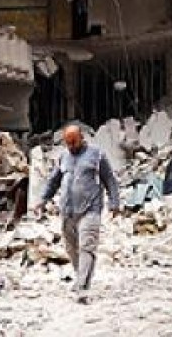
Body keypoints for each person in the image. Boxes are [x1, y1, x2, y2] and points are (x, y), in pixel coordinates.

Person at [31, 124, 120, 302]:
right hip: (67, 211)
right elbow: (53, 181)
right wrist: (41, 200)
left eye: (74, 142)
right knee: (72, 249)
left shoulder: (97, 155)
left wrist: (114, 203)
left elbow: (109, 179)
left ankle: (82, 287)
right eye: (68, 143)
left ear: (82, 138)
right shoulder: (63, 157)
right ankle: (81, 276)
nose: (71, 146)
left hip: (90, 209)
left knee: (87, 247)